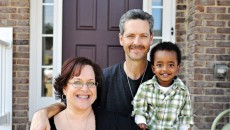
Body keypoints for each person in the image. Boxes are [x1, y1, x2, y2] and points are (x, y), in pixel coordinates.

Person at [30, 9, 155, 129]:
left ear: (151, 38)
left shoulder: (167, 80)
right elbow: (73, 104)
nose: (137, 42)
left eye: (143, 36)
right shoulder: (103, 79)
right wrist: (43, 113)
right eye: (131, 36)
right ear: (121, 39)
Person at [42, 57, 141, 130]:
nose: (85, 89)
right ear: (64, 88)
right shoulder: (45, 126)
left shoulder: (115, 124)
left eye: (90, 83)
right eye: (77, 82)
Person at [132, 42, 194, 130]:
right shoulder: (145, 88)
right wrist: (141, 121)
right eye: (159, 65)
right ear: (153, 68)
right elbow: (139, 109)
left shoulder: (183, 91)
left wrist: (185, 127)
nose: (165, 69)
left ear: (177, 68)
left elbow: (185, 116)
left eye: (171, 65)